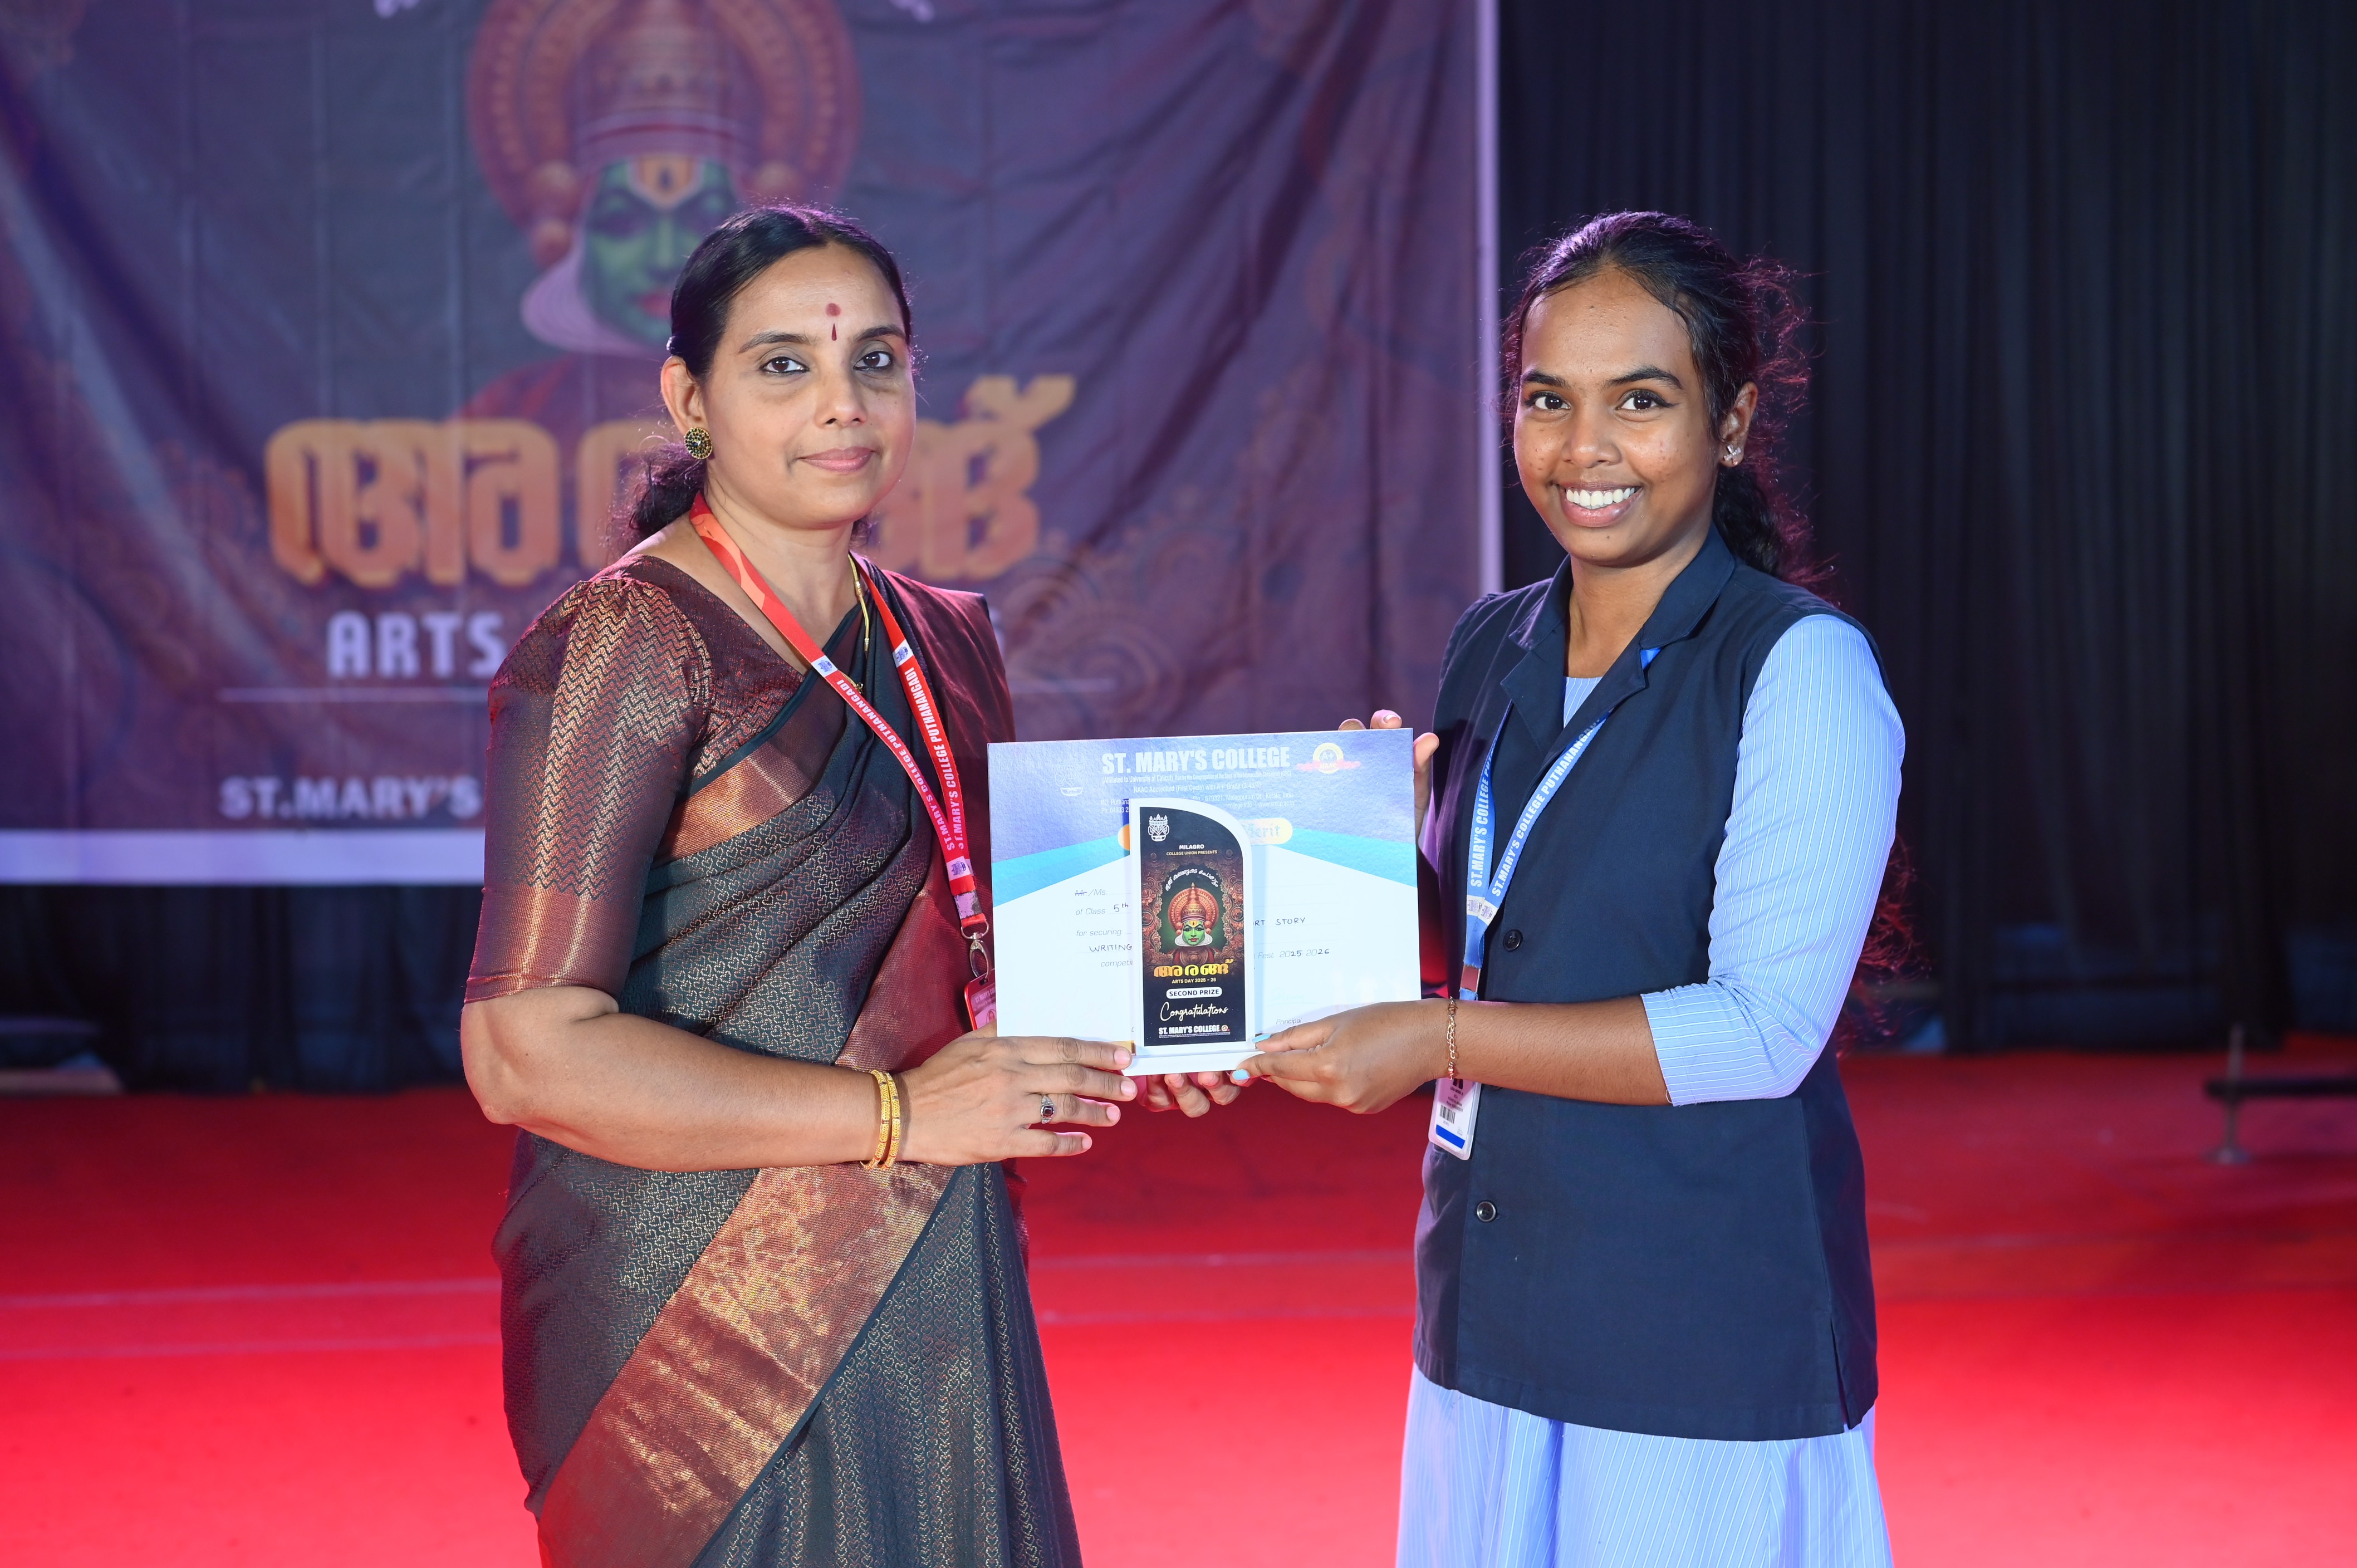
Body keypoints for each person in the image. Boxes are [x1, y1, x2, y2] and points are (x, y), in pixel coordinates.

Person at [460, 204, 1163, 1568]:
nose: (843, 403)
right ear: (690, 399)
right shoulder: (625, 642)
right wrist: (899, 1113)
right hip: (694, 1314)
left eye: (875, 362)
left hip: (930, 1254)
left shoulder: (943, 637)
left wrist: (1200, 1006)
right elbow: (522, 1051)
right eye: (784, 364)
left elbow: (984, 948)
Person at [1241, 212, 1904, 1566]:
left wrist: (1433, 1037)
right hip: (1486, 1301)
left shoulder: (1798, 668)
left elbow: (1761, 1031)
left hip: (1696, 1330)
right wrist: (1365, 864)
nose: (1582, 447)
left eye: (1638, 401)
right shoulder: (1493, 642)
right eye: (1547, 399)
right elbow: (1490, 946)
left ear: (1729, 422)